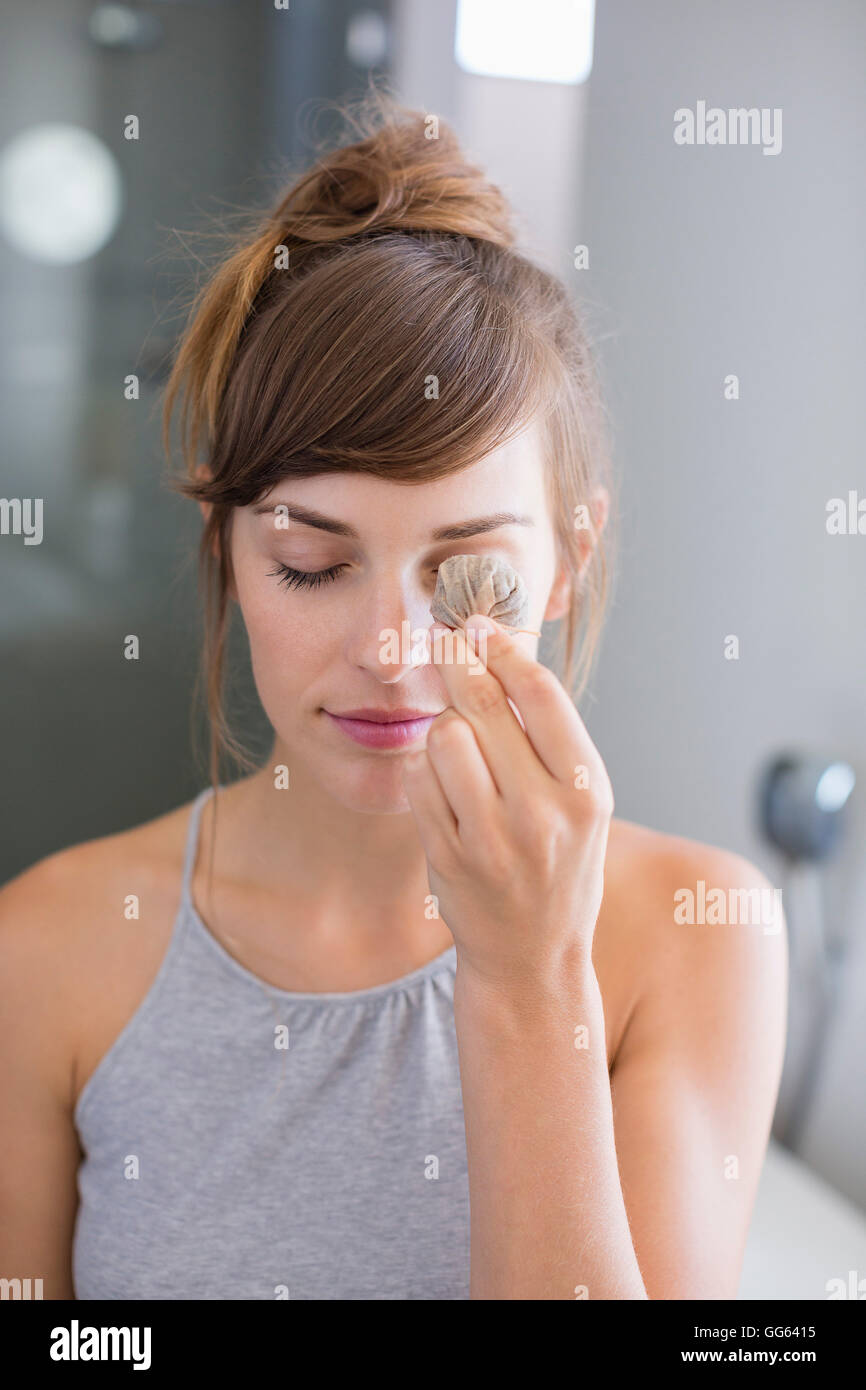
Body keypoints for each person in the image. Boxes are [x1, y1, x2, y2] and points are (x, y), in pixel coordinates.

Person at [0, 87, 787, 1300]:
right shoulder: (50, 944)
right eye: (312, 564)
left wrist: (527, 979)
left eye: (467, 572)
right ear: (226, 549)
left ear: (568, 561)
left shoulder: (694, 935)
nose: (388, 646)